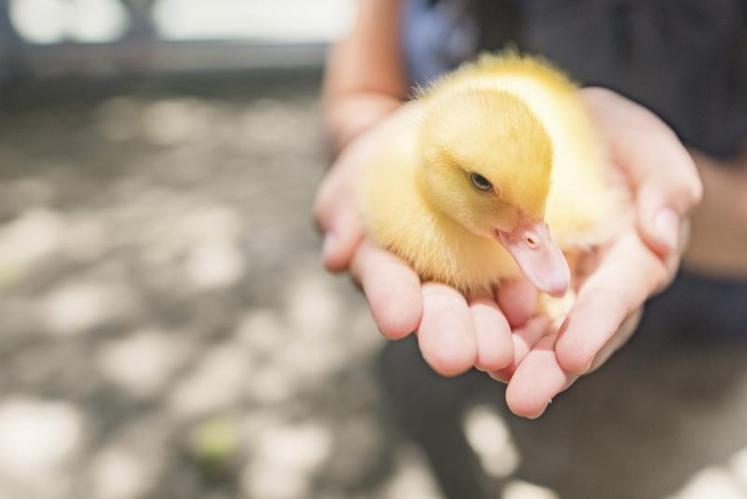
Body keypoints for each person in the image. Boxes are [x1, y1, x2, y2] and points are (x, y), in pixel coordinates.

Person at [314, 0, 746, 421]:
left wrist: (668, 203)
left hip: (704, 350)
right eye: (482, 184)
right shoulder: (416, 173)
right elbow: (361, 92)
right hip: (457, 371)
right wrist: (360, 138)